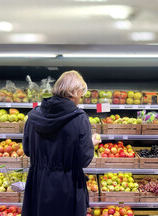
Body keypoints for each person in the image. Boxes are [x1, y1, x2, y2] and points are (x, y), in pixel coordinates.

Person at [22, 70, 101, 216]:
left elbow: (27, 150)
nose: (81, 98)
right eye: (81, 93)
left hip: (38, 183)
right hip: (67, 185)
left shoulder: (33, 116)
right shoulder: (80, 119)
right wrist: (90, 143)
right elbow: (83, 159)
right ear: (75, 92)